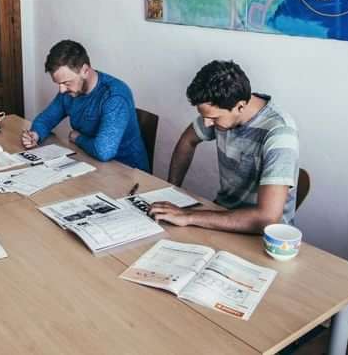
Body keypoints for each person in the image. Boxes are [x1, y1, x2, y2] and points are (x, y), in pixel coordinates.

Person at [149, 60, 299, 234]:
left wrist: (187, 216)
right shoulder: (221, 108)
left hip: (262, 236)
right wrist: (172, 190)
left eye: (213, 118)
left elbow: (266, 218)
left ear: (240, 106)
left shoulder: (280, 133)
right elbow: (187, 141)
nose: (206, 123)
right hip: (222, 216)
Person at [21, 40, 149, 171]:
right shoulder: (70, 91)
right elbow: (47, 119)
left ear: (85, 71)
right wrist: (35, 134)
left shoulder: (115, 96)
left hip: (128, 172)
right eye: (59, 84)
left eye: (66, 83)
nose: (61, 90)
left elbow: (103, 151)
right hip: (91, 162)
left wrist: (78, 138)